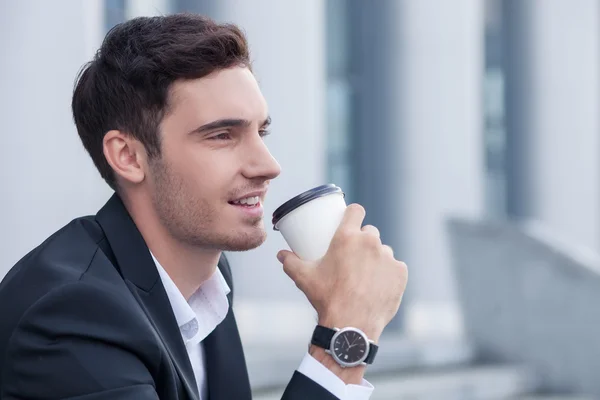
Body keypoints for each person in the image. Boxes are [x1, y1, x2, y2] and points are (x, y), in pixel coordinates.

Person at [0, 13, 408, 400]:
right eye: (222, 136)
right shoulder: (71, 317)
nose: (268, 165)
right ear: (127, 156)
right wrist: (344, 337)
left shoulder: (205, 282)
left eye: (260, 131)